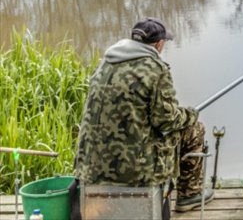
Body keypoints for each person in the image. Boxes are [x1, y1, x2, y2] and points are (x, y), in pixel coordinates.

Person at [74, 18, 214, 214]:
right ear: (159, 44)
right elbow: (167, 120)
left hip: (90, 165)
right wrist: (190, 114)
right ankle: (188, 195)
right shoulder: (155, 68)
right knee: (195, 129)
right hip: (134, 170)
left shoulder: (105, 63)